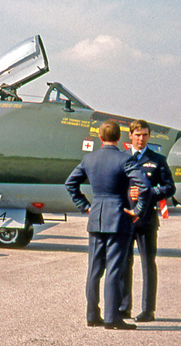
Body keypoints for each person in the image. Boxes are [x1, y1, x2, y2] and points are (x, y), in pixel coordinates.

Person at [65, 120, 151, 330]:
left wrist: (84, 206)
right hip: (119, 218)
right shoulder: (125, 159)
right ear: (119, 138)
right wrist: (138, 210)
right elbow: (145, 186)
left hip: (96, 216)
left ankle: (92, 314)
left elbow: (70, 183)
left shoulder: (89, 158)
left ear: (100, 138)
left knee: (94, 269)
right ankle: (112, 317)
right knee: (114, 268)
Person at [119, 120, 175, 322]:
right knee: (124, 264)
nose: (141, 138)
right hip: (125, 219)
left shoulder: (158, 160)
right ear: (130, 136)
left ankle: (148, 309)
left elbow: (169, 188)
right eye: (137, 134)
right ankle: (124, 307)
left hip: (146, 220)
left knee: (148, 264)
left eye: (145, 135)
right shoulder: (121, 158)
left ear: (149, 137)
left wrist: (149, 192)